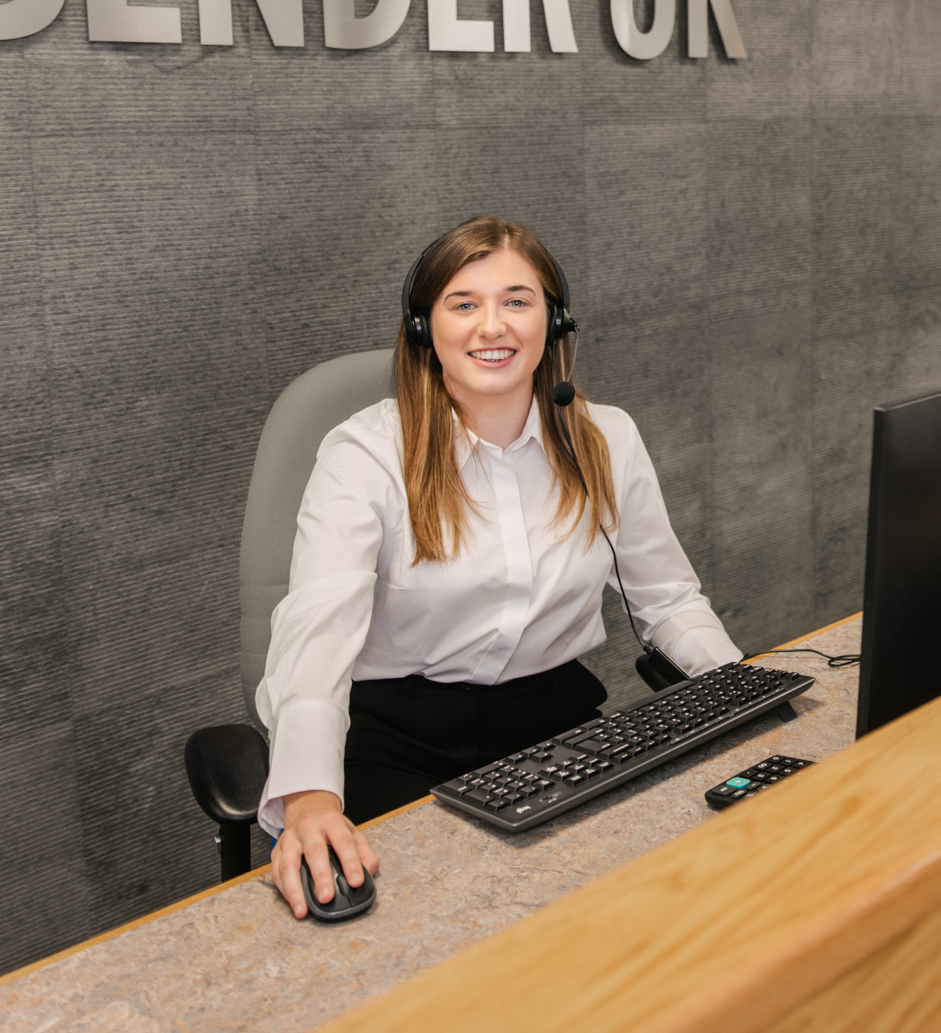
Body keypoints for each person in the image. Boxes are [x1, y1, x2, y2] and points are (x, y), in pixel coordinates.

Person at [254, 215, 744, 919]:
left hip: (558, 731)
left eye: (517, 301)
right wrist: (308, 800)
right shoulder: (366, 454)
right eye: (464, 304)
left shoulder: (607, 438)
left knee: (635, 909)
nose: (494, 326)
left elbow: (667, 598)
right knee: (420, 927)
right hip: (399, 739)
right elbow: (317, 634)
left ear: (555, 320)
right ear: (426, 330)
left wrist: (737, 683)